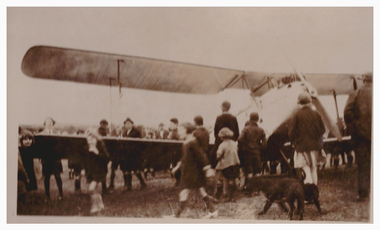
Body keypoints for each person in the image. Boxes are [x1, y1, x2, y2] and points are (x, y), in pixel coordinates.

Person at [171, 122, 218, 218]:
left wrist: (207, 169)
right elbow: (185, 158)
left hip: (193, 173)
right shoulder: (187, 142)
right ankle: (212, 211)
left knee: (184, 192)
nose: (178, 133)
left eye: (181, 130)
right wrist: (177, 166)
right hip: (191, 172)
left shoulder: (192, 143)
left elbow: (202, 156)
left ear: (188, 131)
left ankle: (177, 215)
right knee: (202, 192)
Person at [344, 73, 372, 201]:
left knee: (363, 165)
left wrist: (354, 130)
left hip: (361, 137)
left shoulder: (356, 93)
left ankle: (363, 193)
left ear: (364, 80)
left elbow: (347, 113)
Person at [289, 93, 325, 186]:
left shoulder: (296, 115)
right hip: (315, 147)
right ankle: (314, 192)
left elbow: (291, 133)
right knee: (314, 169)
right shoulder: (316, 114)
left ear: (299, 103)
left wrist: (294, 142)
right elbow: (322, 130)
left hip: (301, 147)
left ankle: (309, 195)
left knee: (306, 169)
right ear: (309, 103)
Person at [238, 112, 267, 194]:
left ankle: (250, 190)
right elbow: (265, 143)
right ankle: (257, 190)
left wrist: (244, 147)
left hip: (248, 153)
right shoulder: (261, 130)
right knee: (257, 171)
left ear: (250, 119)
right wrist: (259, 148)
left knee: (249, 171)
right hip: (257, 152)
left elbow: (240, 139)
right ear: (257, 119)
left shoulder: (246, 129)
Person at [85, 129, 109, 214]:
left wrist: (97, 152)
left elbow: (107, 159)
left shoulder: (100, 146)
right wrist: (83, 170)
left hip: (100, 171)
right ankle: (101, 205)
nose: (90, 142)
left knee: (91, 188)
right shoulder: (87, 148)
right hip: (91, 172)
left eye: (92, 139)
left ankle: (95, 207)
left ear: (96, 139)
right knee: (95, 190)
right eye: (88, 140)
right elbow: (85, 161)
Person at [40, 117, 64, 201]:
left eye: (50, 122)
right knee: (46, 178)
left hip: (56, 159)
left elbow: (61, 145)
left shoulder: (57, 133)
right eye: (47, 122)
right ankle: (47, 195)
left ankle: (61, 194)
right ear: (45, 124)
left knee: (58, 176)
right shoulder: (41, 134)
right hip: (46, 159)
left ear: (53, 124)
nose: (49, 124)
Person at [211, 101, 239, 168]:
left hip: (220, 142)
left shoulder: (219, 118)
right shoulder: (233, 118)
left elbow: (215, 131)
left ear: (222, 108)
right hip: (231, 143)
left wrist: (219, 139)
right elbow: (237, 132)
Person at [121, 117, 147, 191]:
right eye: (126, 124)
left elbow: (139, 143)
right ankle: (128, 186)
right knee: (126, 170)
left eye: (129, 123)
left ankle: (143, 183)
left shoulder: (136, 132)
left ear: (132, 124)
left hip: (135, 155)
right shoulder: (124, 132)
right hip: (126, 155)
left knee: (136, 170)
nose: (127, 125)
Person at [215, 127, 240, 202]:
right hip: (235, 164)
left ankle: (219, 196)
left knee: (220, 179)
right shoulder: (234, 143)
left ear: (221, 137)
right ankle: (232, 196)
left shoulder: (222, 145)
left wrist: (217, 158)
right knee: (232, 181)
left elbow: (218, 156)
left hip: (226, 165)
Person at [97, 120, 110, 194]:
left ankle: (104, 188)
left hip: (101, 155)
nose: (104, 126)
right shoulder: (101, 132)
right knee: (103, 172)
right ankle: (104, 189)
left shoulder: (100, 131)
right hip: (101, 155)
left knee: (103, 172)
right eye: (104, 125)